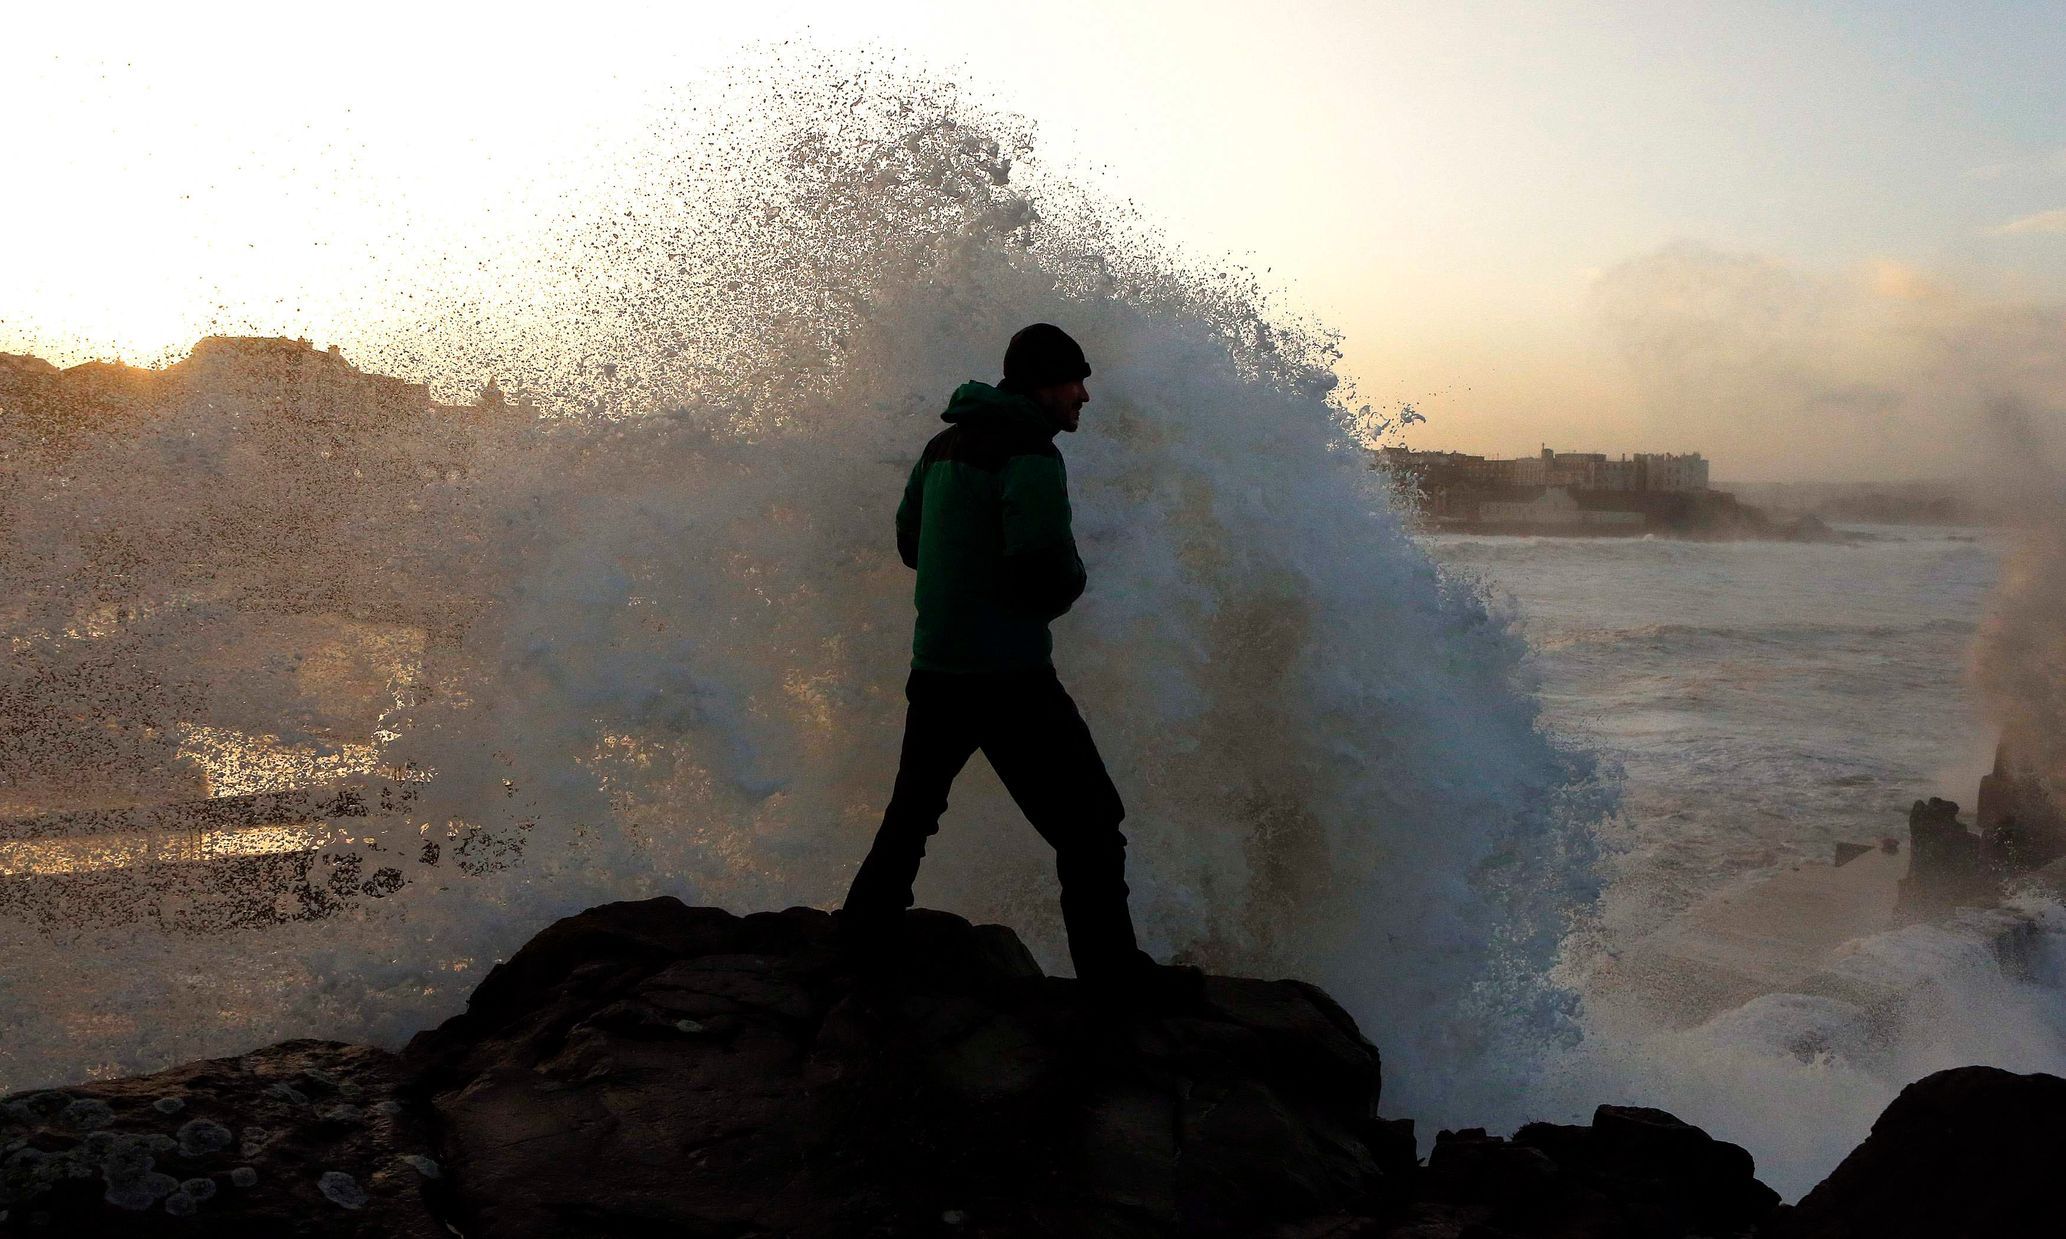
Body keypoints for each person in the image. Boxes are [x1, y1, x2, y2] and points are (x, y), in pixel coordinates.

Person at [842, 323, 1190, 998]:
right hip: (1009, 678)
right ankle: (1113, 980)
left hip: (937, 668)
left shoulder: (942, 445)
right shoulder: (1030, 452)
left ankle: (859, 938)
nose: (1083, 395)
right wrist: (1066, 588)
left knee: (911, 815)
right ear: (1041, 384)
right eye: (1073, 381)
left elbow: (910, 542)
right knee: (1091, 826)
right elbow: (1043, 564)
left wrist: (964, 573)